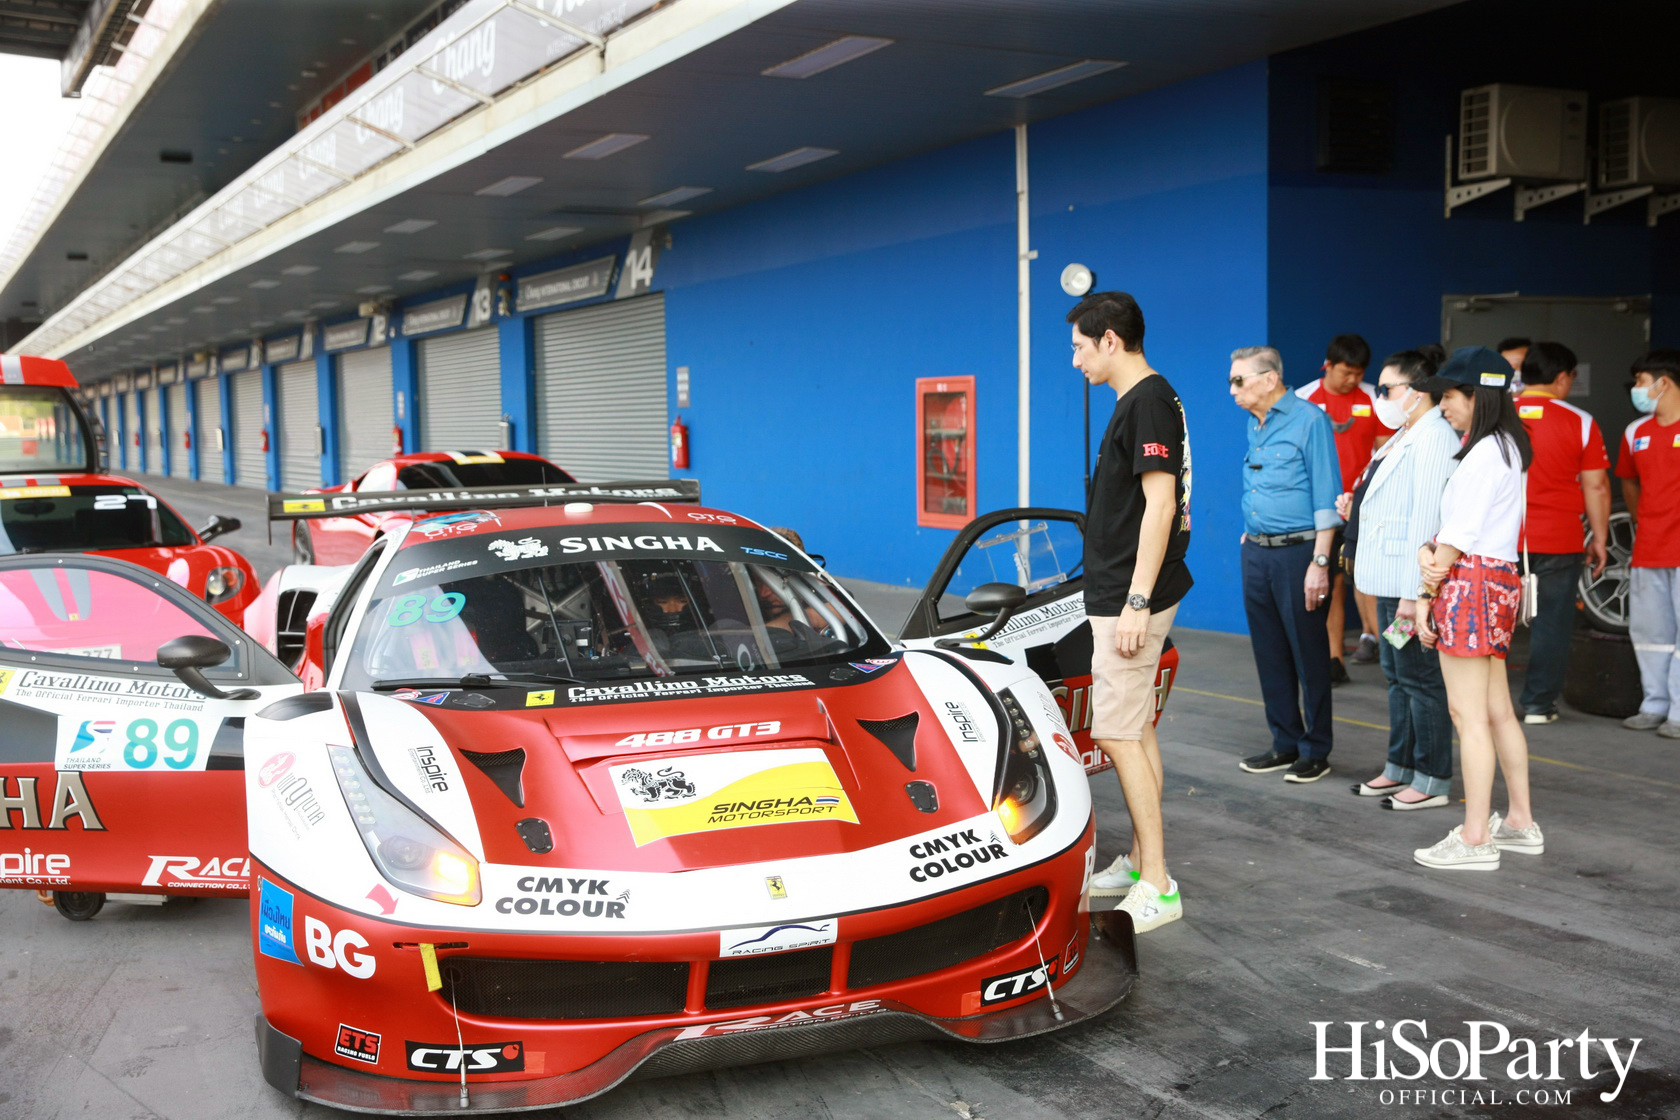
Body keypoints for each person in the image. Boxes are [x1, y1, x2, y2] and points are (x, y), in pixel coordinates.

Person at [1067, 291, 1193, 933]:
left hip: (1130, 596)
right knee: (1136, 726)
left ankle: (1159, 884)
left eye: (1080, 347)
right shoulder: (1146, 399)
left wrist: (1137, 600)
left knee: (1115, 732)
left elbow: (1160, 505)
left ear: (1110, 340)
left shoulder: (1145, 401)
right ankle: (1144, 861)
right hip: (1126, 591)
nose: (1076, 361)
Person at [1413, 347, 1540, 870]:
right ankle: (1517, 822)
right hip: (1496, 581)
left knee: (1468, 715)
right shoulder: (1510, 445)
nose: (1443, 406)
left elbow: (1459, 536)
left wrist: (1427, 581)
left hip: (1470, 583)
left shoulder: (1485, 451)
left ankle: (1473, 838)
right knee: (1496, 711)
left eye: (1449, 396)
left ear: (1477, 396)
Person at [1348, 349, 1460, 809]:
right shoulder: (1405, 433)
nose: (1380, 397)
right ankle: (1399, 766)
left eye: (1387, 389)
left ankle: (1432, 777)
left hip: (1409, 583)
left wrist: (1420, 593)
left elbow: (1428, 517)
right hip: (1390, 579)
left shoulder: (1433, 436)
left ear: (1416, 393)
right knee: (1397, 677)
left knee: (1420, 681)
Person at [1231, 345, 1341, 783]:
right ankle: (1285, 742)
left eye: (1240, 380)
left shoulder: (1309, 420)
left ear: (1270, 379)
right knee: (1269, 652)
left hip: (1299, 553)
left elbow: (1325, 496)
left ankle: (1316, 749)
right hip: (1257, 550)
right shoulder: (1254, 424)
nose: (1233, 389)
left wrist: (1320, 561)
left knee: (1308, 653)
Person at [1514, 342, 1611, 724]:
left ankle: (1489, 703)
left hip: (1502, 540)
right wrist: (1600, 538)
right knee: (1551, 622)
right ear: (1561, 378)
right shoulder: (1580, 421)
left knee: (1495, 619)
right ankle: (1538, 705)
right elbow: (1597, 486)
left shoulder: (1496, 414)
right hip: (1559, 539)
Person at [1296, 334, 1383, 679]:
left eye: (1358, 373)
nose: (1352, 380)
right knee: (1328, 583)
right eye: (1345, 372)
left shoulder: (1375, 398)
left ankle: (1382, 648)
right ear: (1328, 366)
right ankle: (1333, 660)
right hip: (1319, 510)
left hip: (1364, 507)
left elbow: (1385, 453)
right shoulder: (1303, 399)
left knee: (1369, 580)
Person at [1615, 349, 1680, 736]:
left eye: (1640, 382)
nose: (1637, 390)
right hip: (1650, 546)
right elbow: (1628, 479)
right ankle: (1653, 703)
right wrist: (1645, 522)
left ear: (1663, 383)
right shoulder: (1635, 432)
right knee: (1651, 633)